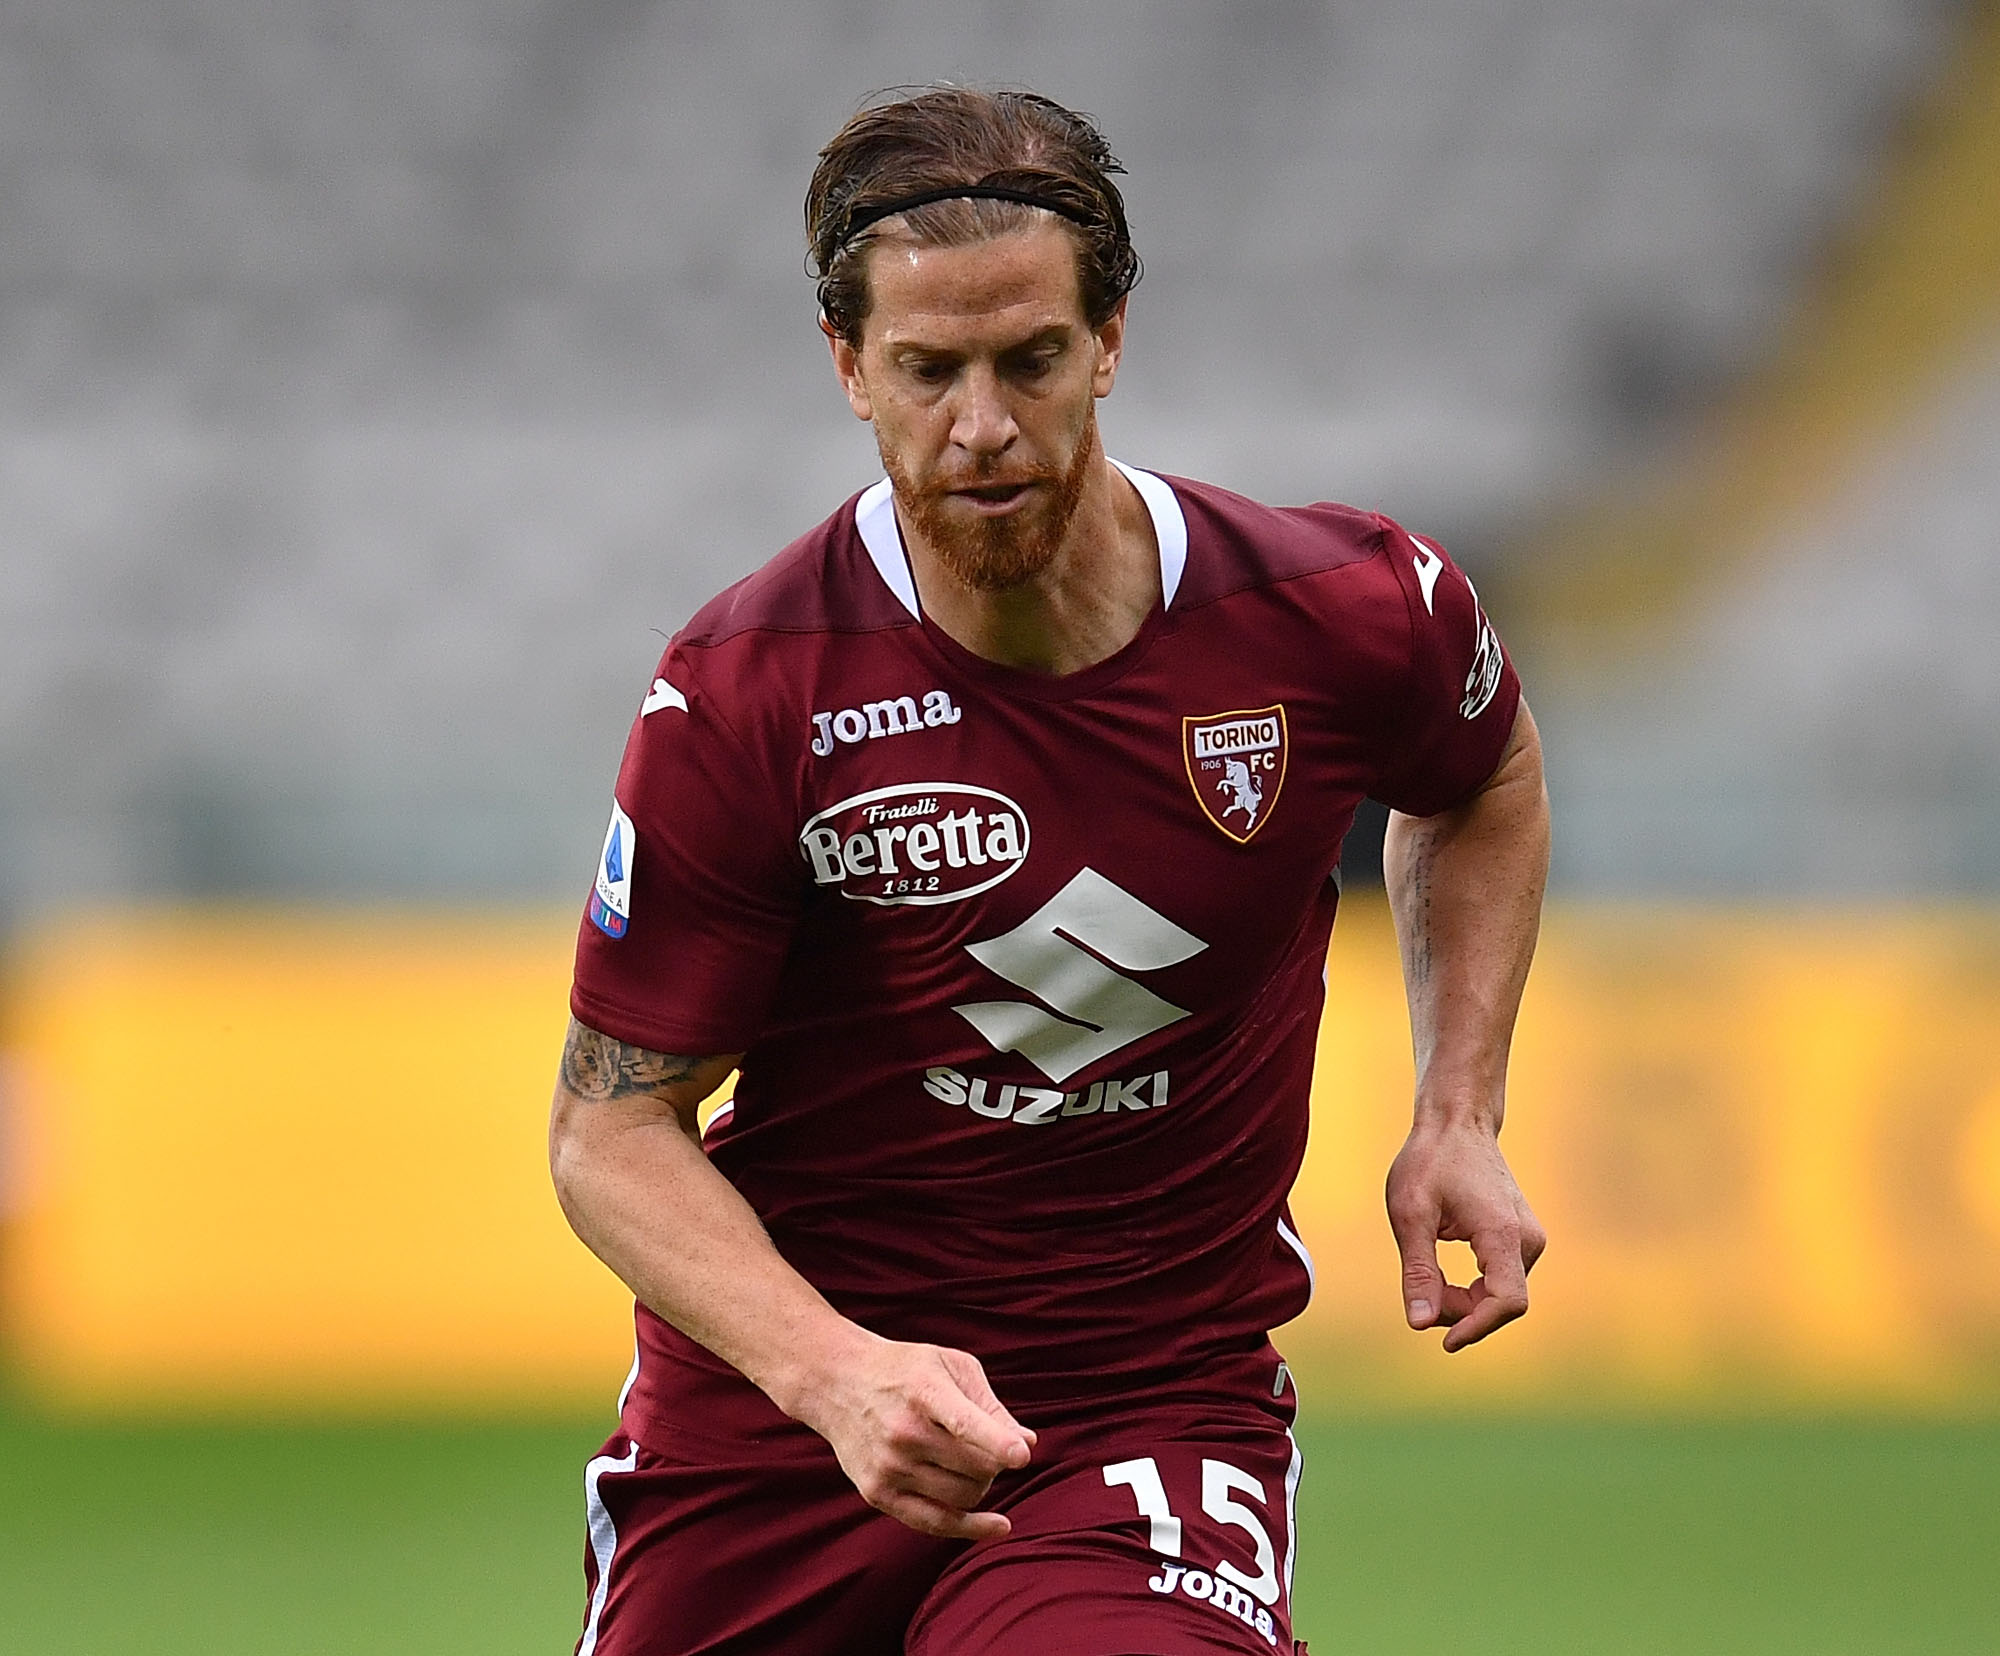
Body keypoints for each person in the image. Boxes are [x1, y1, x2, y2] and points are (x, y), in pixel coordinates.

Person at [549, 85, 1549, 1656]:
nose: (983, 427)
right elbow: (610, 1132)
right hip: (789, 1416)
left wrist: (1459, 1110)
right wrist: (835, 1373)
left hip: (1145, 1399)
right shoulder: (750, 692)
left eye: (1029, 360)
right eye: (927, 370)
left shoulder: (1342, 609)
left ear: (1109, 343)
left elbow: (1482, 774)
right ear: (848, 368)